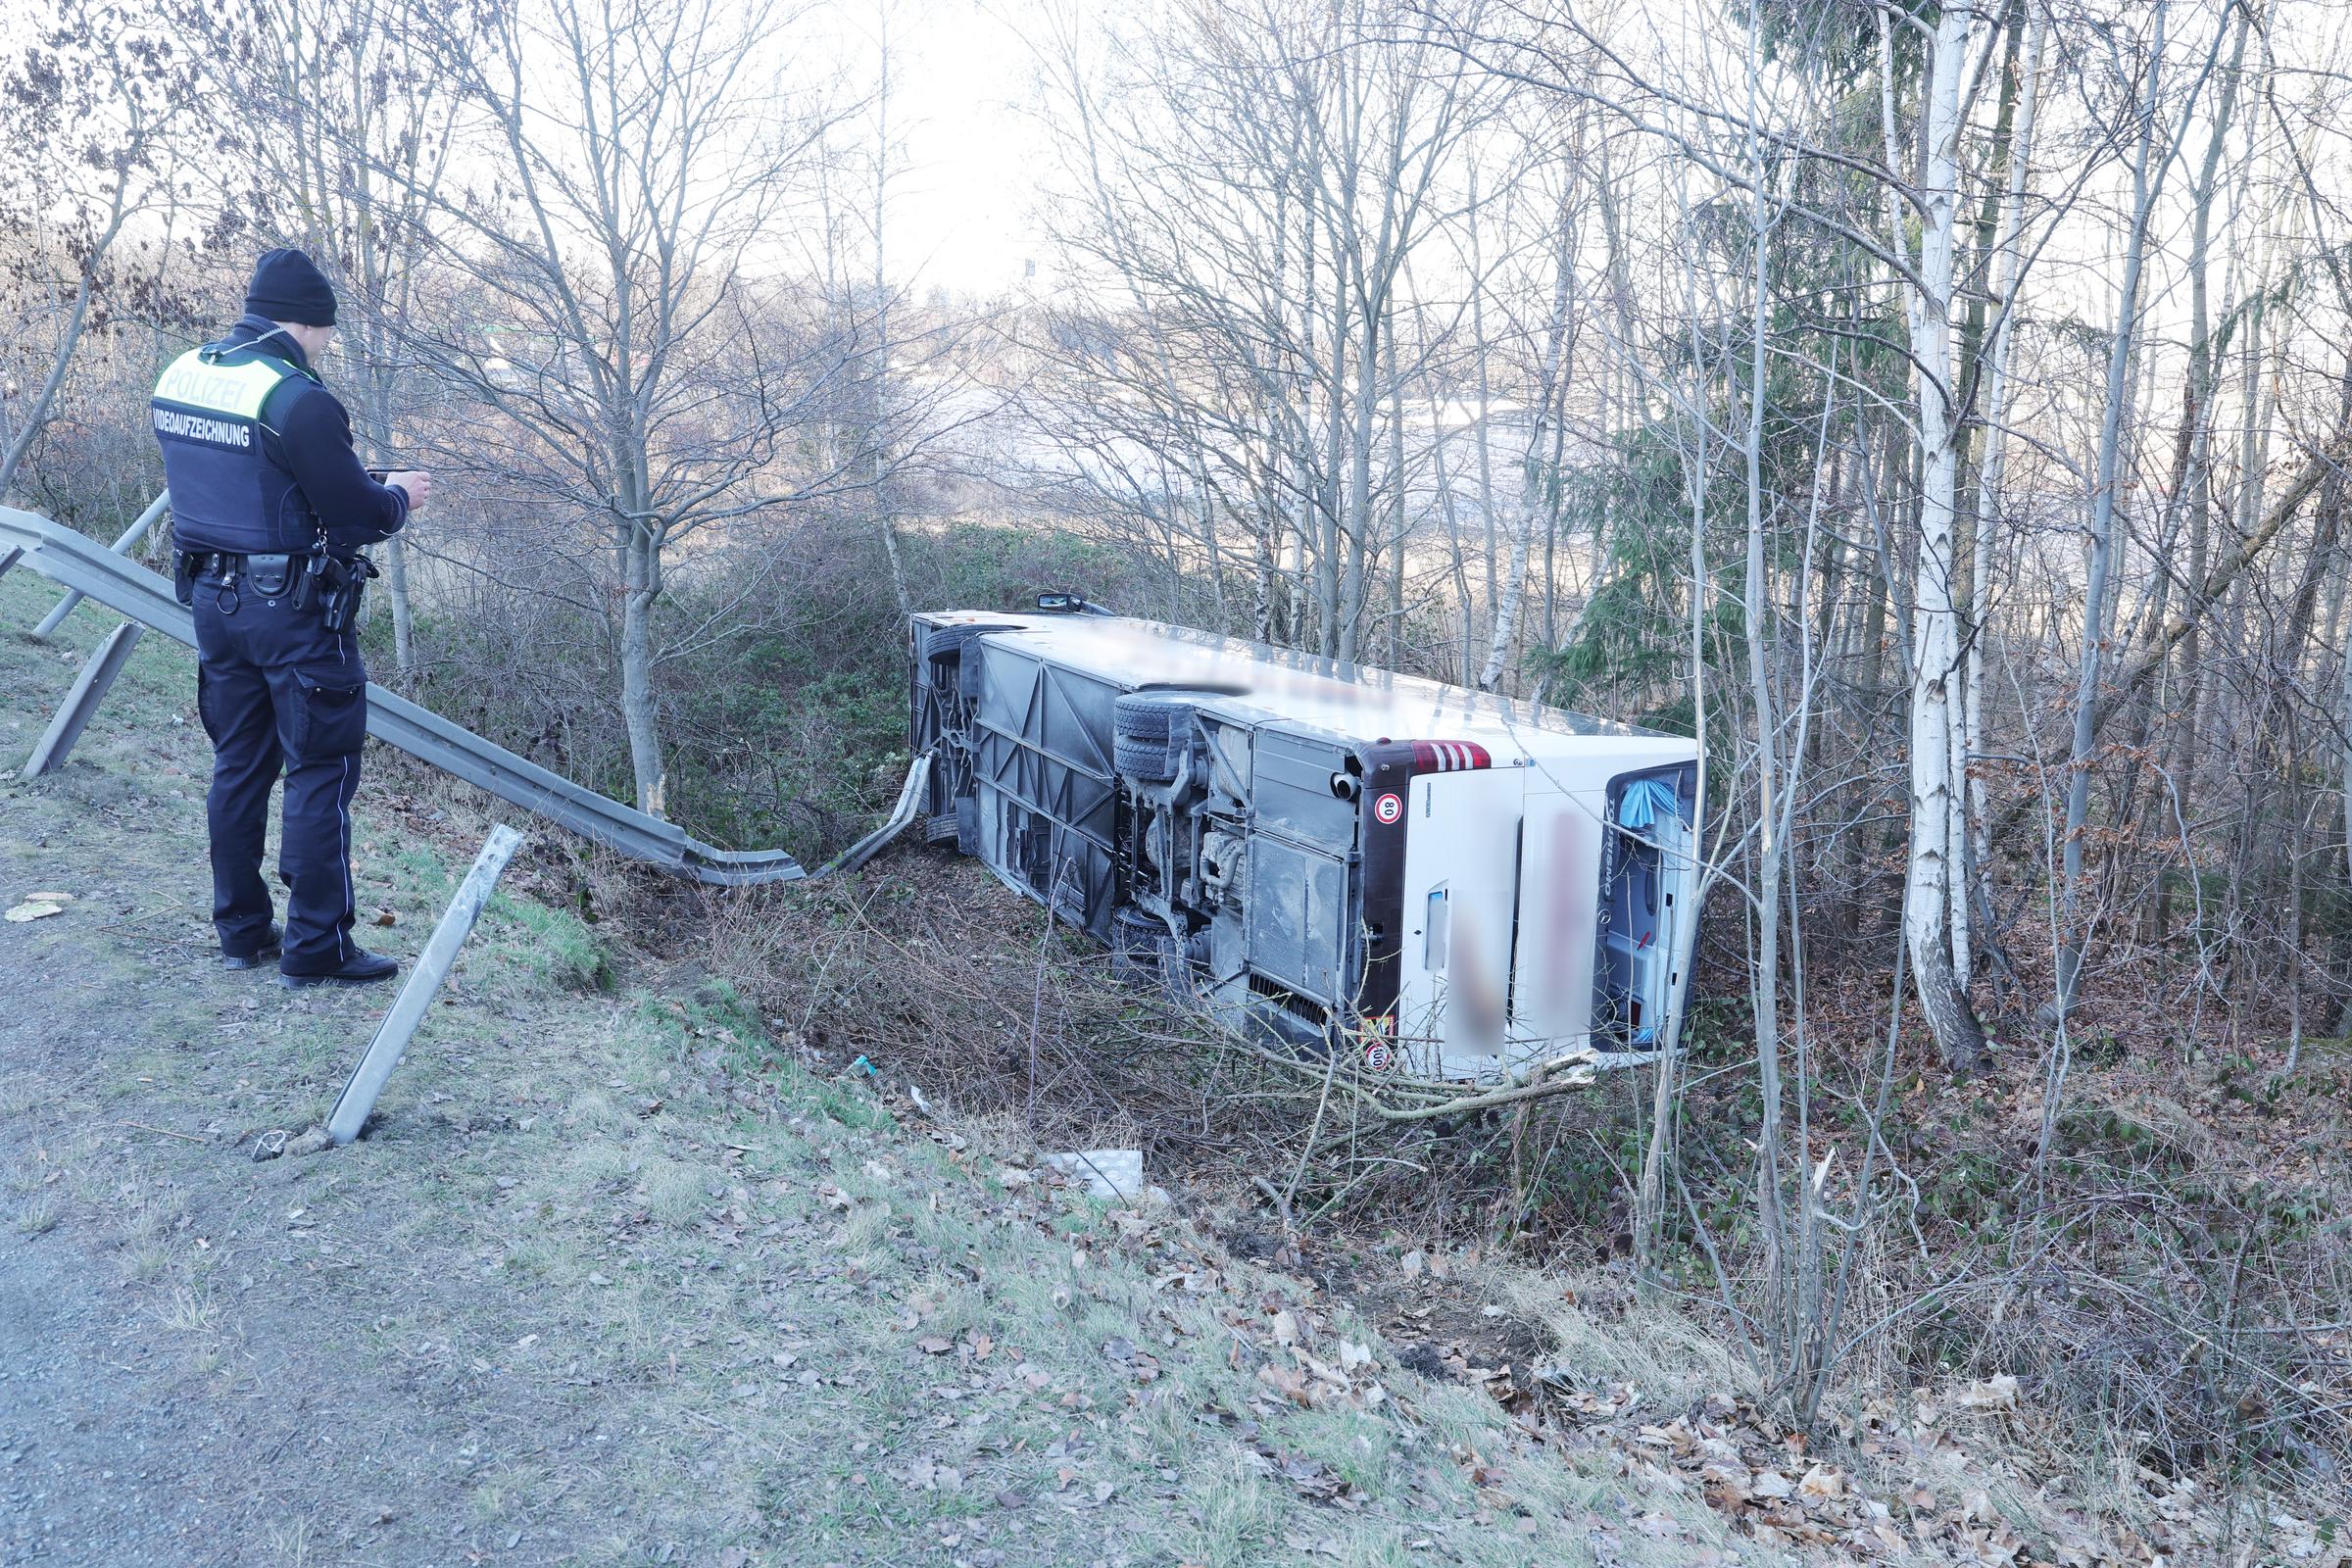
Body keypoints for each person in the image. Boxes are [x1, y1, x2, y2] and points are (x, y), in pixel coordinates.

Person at [150, 247, 432, 987]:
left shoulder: (183, 374)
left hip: (213, 600)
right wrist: (399, 493)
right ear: (309, 323)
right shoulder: (296, 397)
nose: (327, 346)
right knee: (319, 771)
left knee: (239, 764)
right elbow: (359, 514)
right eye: (327, 333)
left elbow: (246, 479)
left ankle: (241, 930)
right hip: (296, 616)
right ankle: (316, 945)